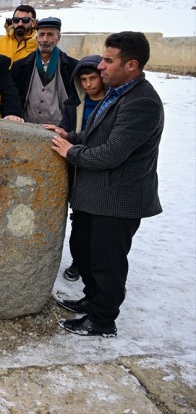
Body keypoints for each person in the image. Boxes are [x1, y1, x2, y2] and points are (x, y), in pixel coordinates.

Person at [45, 32, 164, 337]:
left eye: (109, 61)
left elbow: (111, 153)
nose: (100, 67)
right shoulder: (120, 93)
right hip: (97, 195)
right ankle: (92, 300)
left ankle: (102, 320)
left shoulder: (143, 102)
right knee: (87, 252)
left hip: (118, 200)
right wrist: (70, 135)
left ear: (132, 65)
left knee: (107, 262)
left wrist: (71, 152)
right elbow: (99, 135)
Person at [56, 55, 105, 282]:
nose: (88, 84)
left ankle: (101, 270)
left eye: (93, 78)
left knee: (102, 225)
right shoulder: (74, 104)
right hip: (78, 164)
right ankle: (79, 262)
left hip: (102, 165)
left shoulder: (113, 104)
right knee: (80, 220)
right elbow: (69, 131)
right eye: (83, 79)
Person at [11, 17, 78, 124]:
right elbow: (12, 98)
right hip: (26, 127)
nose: (45, 39)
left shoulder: (73, 67)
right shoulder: (20, 66)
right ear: (36, 38)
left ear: (58, 38)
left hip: (59, 131)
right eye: (41, 35)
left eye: (50, 35)